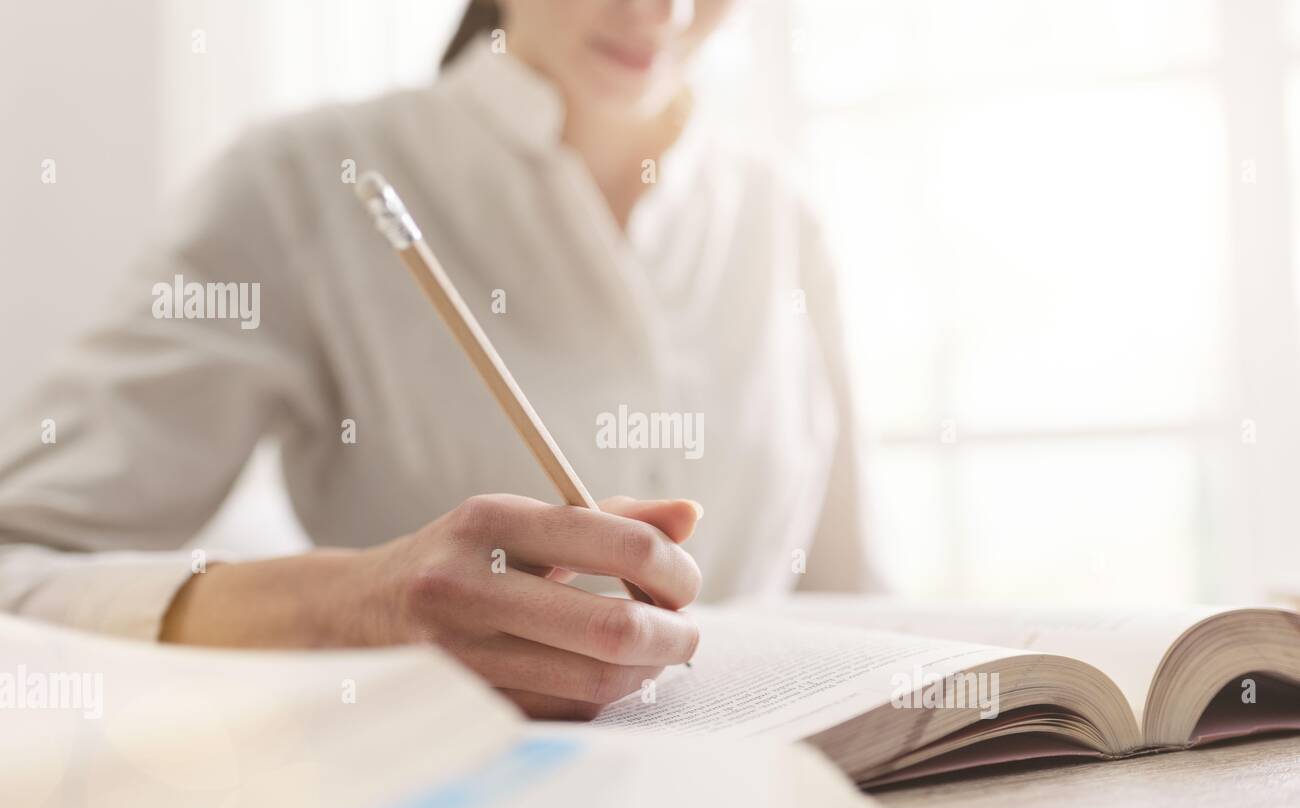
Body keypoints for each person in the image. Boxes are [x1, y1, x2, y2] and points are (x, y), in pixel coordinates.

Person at [0, 0, 880, 718]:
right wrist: (352, 608)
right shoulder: (303, 181)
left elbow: (854, 602)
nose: (664, 7)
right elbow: (15, 575)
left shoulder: (783, 217)